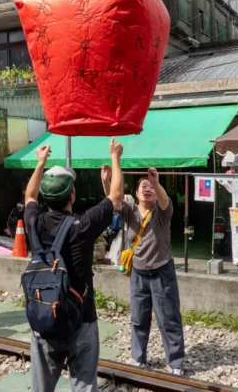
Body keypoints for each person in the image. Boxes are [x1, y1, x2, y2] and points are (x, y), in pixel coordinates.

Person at [24, 139, 123, 392]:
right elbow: (116, 197)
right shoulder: (83, 225)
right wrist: (115, 157)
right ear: (72, 195)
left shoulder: (33, 222)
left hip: (43, 316)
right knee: (83, 384)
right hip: (81, 318)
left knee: (41, 387)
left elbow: (29, 196)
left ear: (46, 198)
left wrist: (40, 163)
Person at [103, 167, 185, 375]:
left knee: (168, 318)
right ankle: (139, 358)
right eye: (143, 187)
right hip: (139, 273)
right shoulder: (129, 211)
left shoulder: (163, 212)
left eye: (151, 187)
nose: (148, 189)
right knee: (139, 318)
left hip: (162, 272)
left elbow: (165, 200)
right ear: (137, 194)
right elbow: (113, 200)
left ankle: (175, 363)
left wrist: (156, 182)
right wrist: (107, 181)